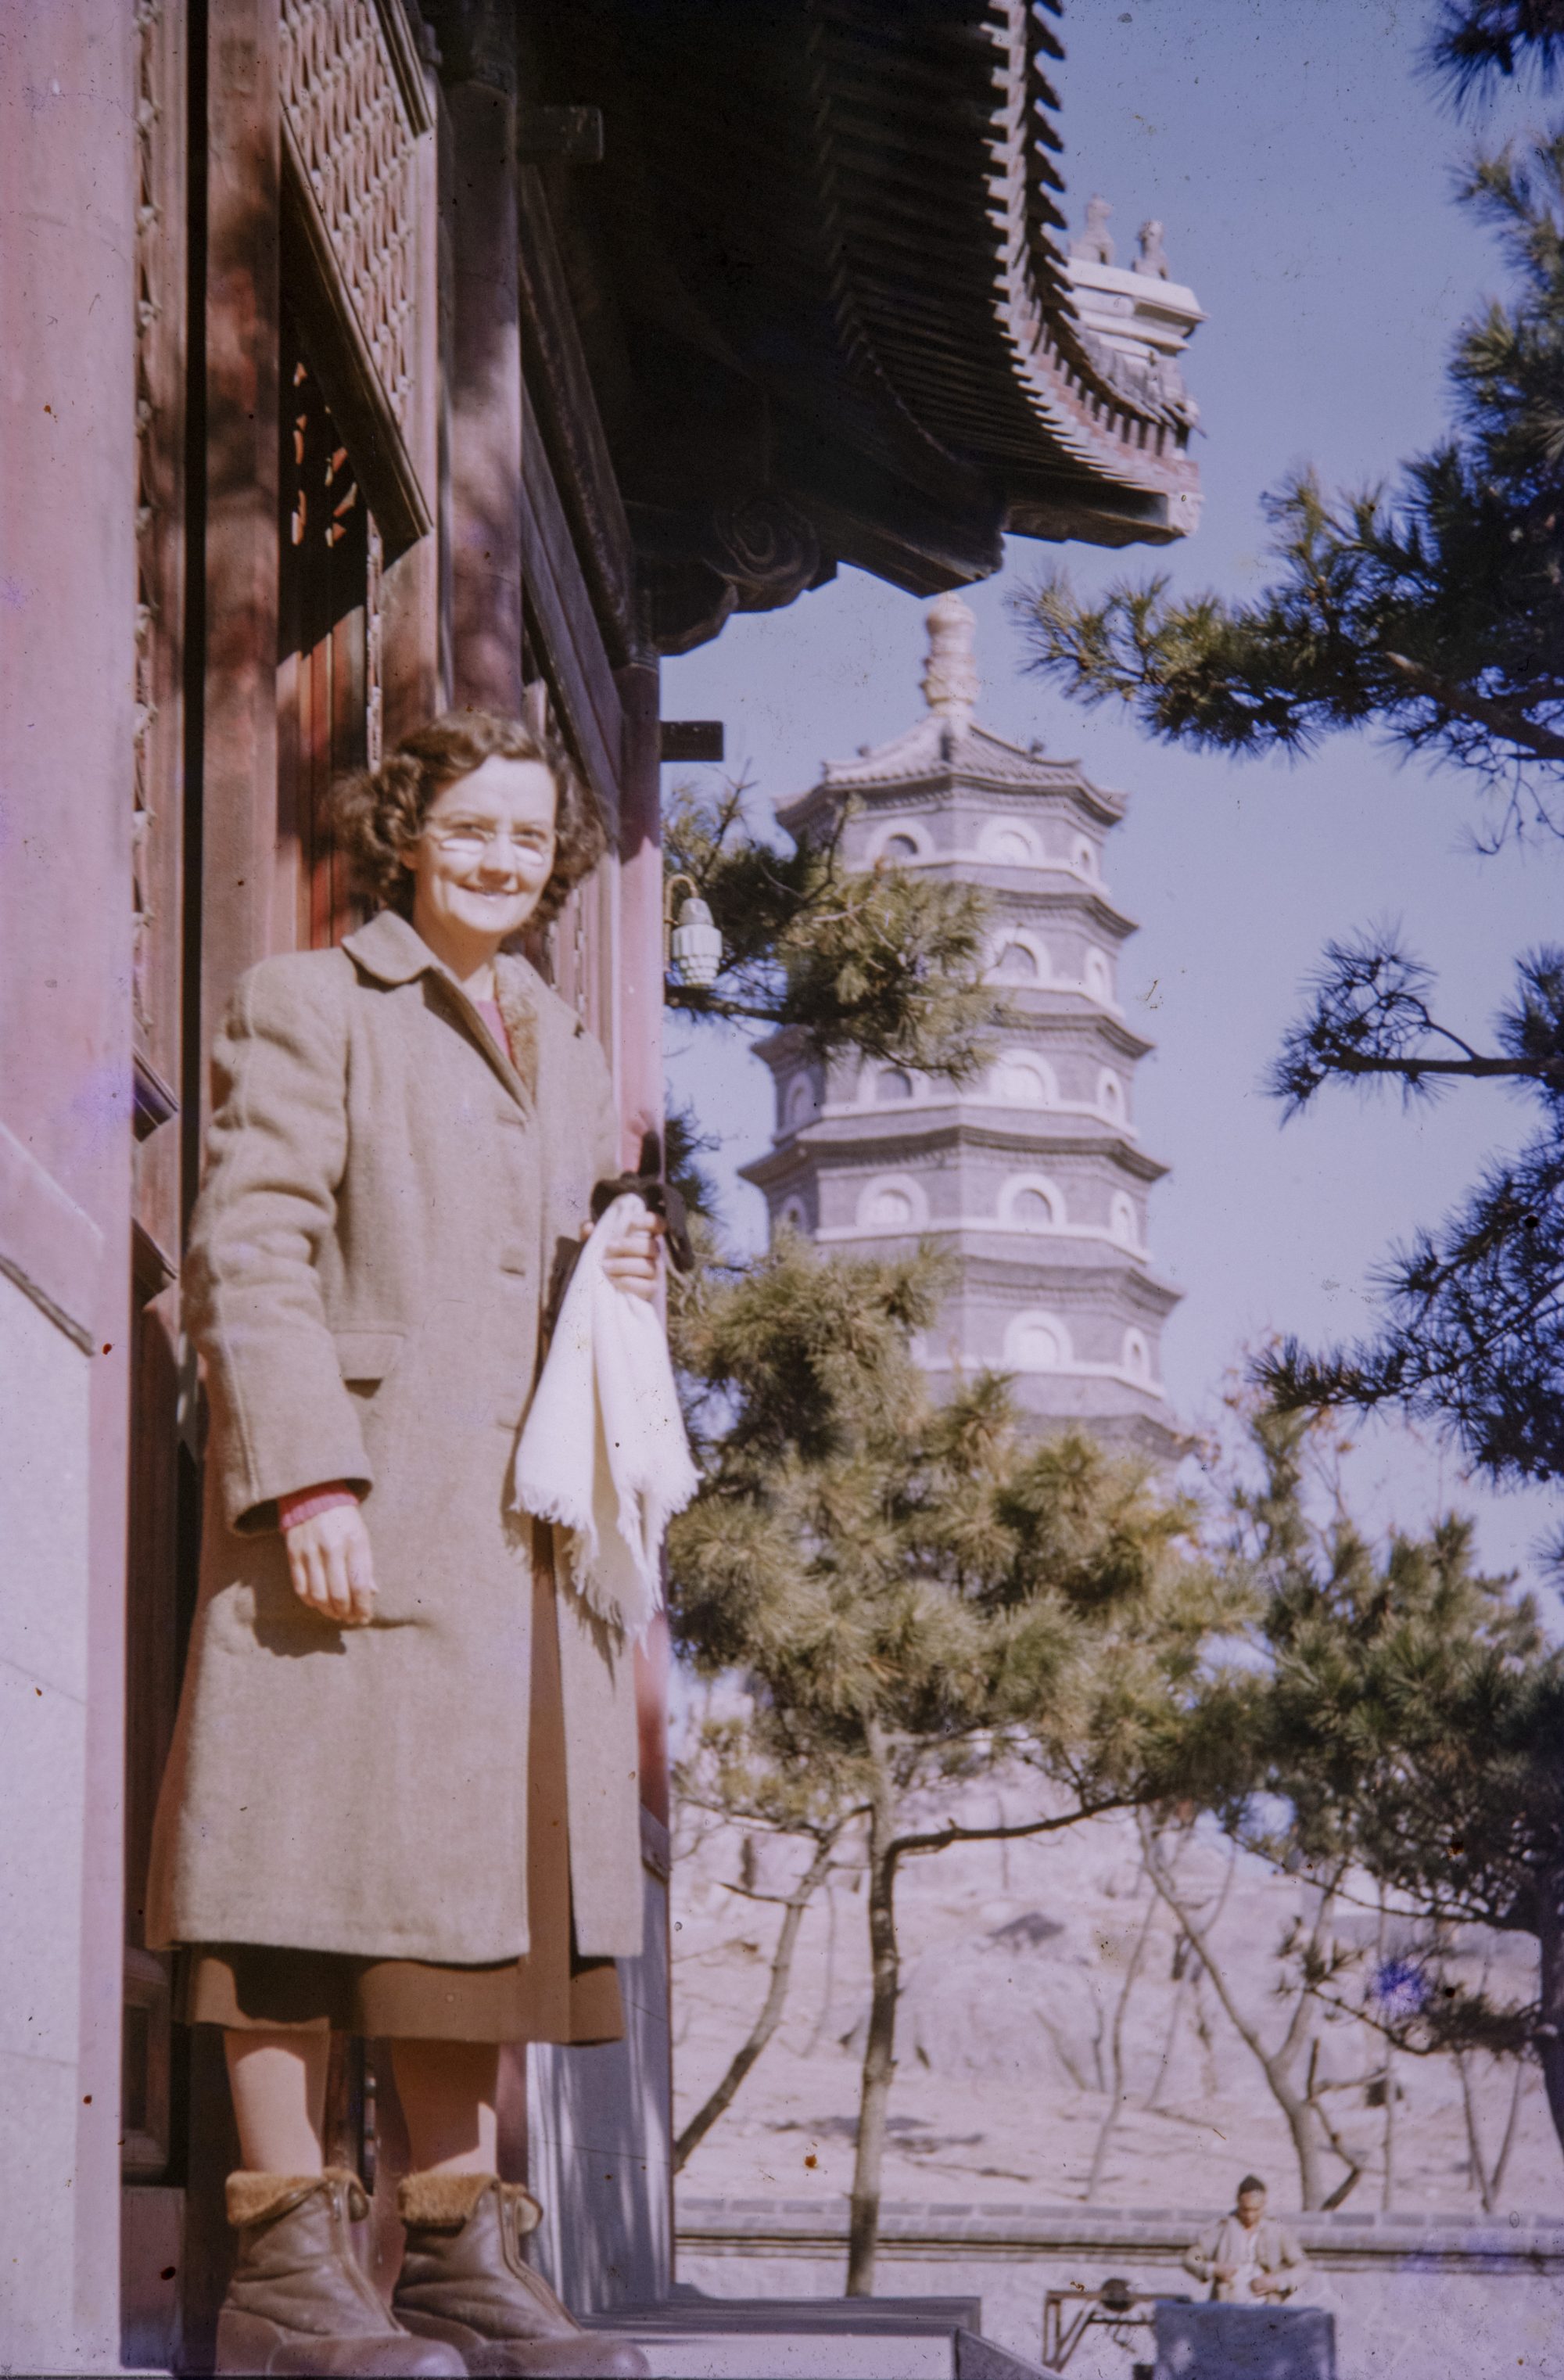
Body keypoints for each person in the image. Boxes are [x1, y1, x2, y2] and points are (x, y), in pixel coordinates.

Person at [147, 712, 662, 2378]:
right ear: (409, 836)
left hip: (515, 1535)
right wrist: (308, 1478)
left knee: (474, 1899)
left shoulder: (561, 1040)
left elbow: (545, 1256)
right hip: (357, 1507)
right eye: (475, 831)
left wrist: (624, 1281)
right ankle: (292, 2282)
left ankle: (457, 2261)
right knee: (292, 1871)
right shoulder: (311, 1004)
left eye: (530, 840)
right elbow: (252, 1243)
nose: (504, 861)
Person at [1183, 2176, 1311, 2306]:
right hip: (1227, 2306)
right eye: (1245, 2210)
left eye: (1255, 2210)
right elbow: (1191, 2258)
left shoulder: (1277, 2231)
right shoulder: (1223, 2228)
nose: (1250, 2215)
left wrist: (1277, 2282)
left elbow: (1304, 2265)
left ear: (1263, 2203)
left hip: (1268, 2307)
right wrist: (1213, 2268)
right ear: (1238, 2202)